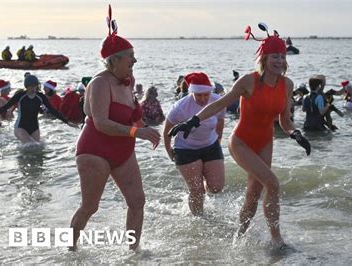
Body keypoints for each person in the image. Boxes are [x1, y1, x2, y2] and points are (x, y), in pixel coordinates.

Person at [168, 24, 311, 249]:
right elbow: (219, 104)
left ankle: (239, 236)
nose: (280, 61)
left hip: (265, 142)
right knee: (272, 184)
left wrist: (296, 134)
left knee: (254, 193)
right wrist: (193, 121)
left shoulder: (287, 85)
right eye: (275, 56)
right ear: (264, 58)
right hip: (241, 142)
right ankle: (277, 240)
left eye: (283, 56)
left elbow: (285, 120)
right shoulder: (248, 81)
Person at [69, 5, 161, 251]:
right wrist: (136, 132)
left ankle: (134, 252)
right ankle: (70, 249)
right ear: (115, 60)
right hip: (94, 150)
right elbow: (101, 123)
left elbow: (131, 116)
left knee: (137, 201)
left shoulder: (127, 82)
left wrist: (148, 130)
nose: (135, 60)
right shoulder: (100, 83)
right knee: (90, 206)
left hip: (123, 151)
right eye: (130, 56)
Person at [163, 72, 225, 216]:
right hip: (185, 149)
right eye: (199, 95)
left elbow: (220, 120)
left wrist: (218, 140)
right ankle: (199, 219)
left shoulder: (218, 102)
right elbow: (167, 130)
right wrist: (168, 150)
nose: (203, 99)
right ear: (192, 93)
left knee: (216, 187)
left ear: (210, 91)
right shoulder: (180, 107)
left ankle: (201, 181)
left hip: (210, 145)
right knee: (196, 190)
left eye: (206, 95)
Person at [0, 74, 74, 144]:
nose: (33, 88)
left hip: (34, 128)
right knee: (31, 145)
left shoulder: (40, 96)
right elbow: (5, 107)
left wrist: (67, 122)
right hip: (20, 127)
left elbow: (52, 110)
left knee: (38, 147)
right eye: (31, 86)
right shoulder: (20, 96)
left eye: (35, 86)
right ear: (26, 86)